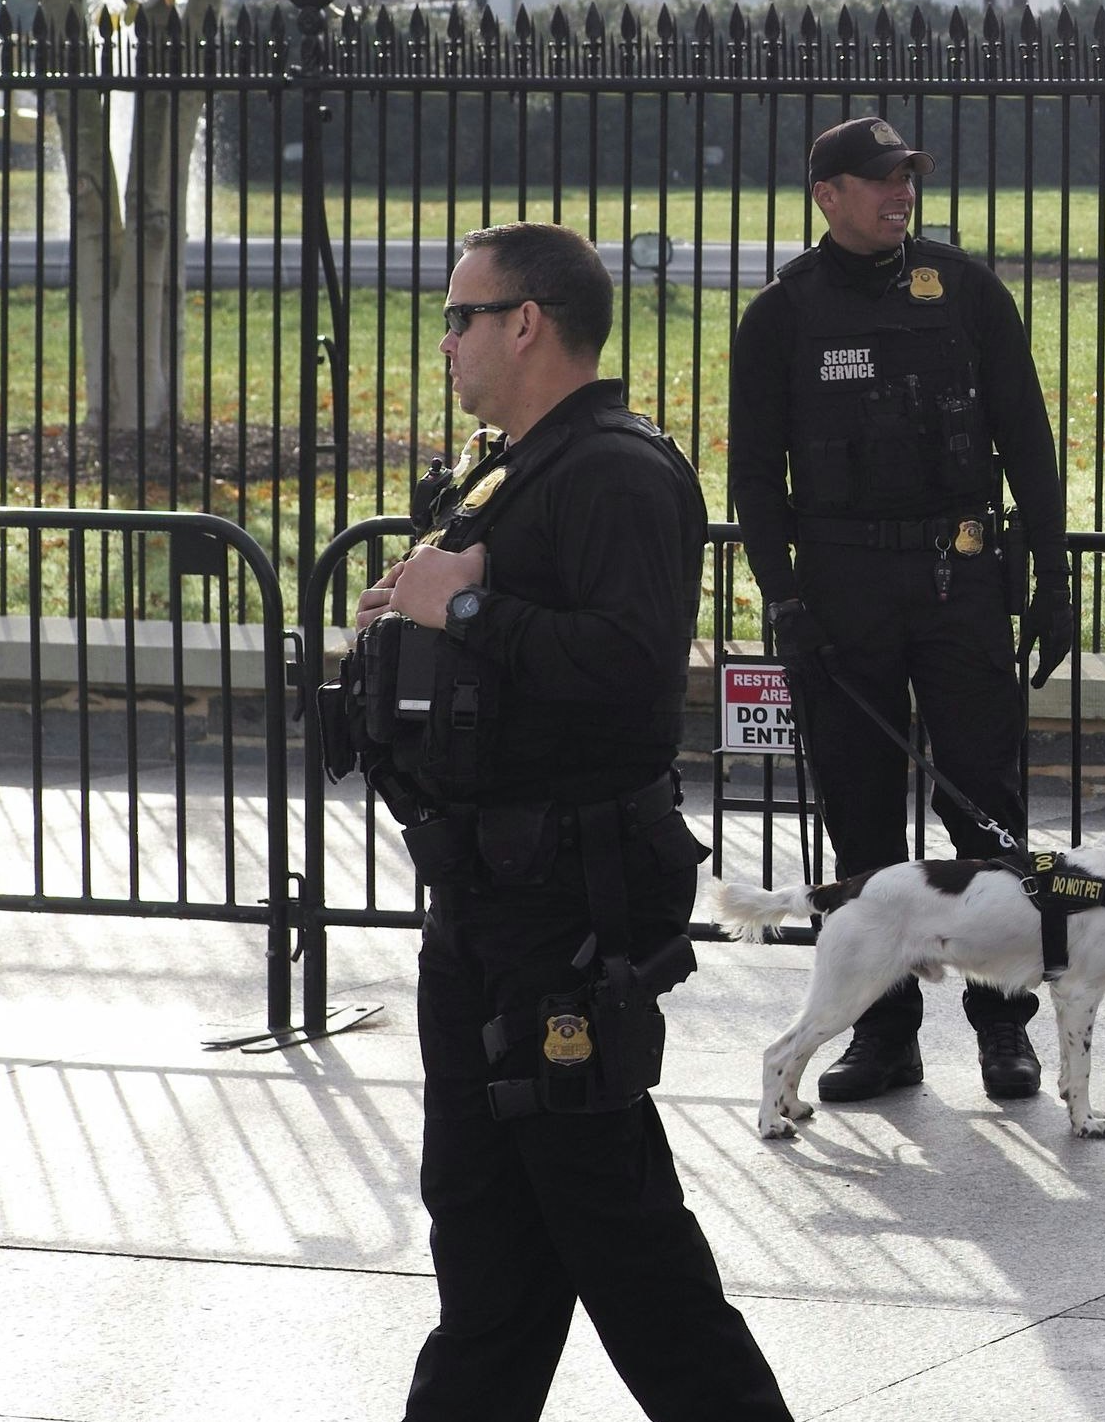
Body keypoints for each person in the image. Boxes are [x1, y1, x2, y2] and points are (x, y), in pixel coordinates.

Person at [357, 223, 788, 1420]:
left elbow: (633, 667)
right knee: (489, 1253)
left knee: (629, 1250)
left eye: (460, 316)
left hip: (564, 911)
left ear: (527, 322)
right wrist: (411, 617)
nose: (445, 340)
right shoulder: (514, 467)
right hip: (485, 902)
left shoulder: (617, 472)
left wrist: (471, 606)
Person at [728, 115, 1078, 1107]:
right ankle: (882, 1037)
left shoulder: (964, 292)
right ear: (827, 193)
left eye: (907, 178)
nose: (901, 194)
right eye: (880, 181)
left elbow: (1028, 442)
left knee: (984, 808)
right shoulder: (783, 314)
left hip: (959, 581)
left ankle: (1004, 1028)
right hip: (842, 594)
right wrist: (784, 596)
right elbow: (755, 477)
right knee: (863, 823)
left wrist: (1051, 579)